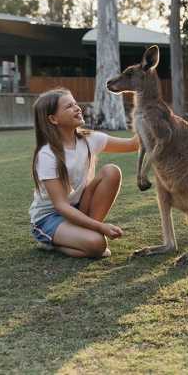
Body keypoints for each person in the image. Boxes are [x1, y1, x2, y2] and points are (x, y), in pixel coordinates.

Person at [29, 88, 139, 258]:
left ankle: (85, 233)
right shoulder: (47, 154)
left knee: (111, 172)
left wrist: (150, 117)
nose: (77, 108)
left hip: (79, 207)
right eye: (69, 106)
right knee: (97, 245)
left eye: (75, 103)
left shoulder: (90, 139)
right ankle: (52, 242)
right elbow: (61, 205)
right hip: (50, 217)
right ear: (53, 119)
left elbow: (134, 144)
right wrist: (100, 228)